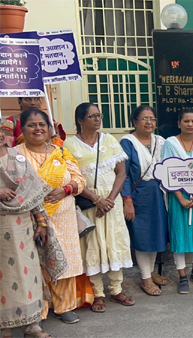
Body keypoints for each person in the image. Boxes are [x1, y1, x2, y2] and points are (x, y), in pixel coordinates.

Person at [15, 109, 90, 324]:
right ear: (23, 129)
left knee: (63, 258)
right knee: (33, 262)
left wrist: (66, 189)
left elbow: (79, 179)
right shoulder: (16, 154)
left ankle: (64, 306)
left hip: (62, 215)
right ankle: (38, 308)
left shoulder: (61, 152)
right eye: (32, 125)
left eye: (42, 125)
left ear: (49, 129)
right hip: (30, 216)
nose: (38, 128)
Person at [64, 103, 134, 312]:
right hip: (88, 204)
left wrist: (110, 200)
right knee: (92, 246)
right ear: (79, 120)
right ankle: (98, 294)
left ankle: (116, 289)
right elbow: (69, 178)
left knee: (114, 241)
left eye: (98, 115)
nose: (97, 119)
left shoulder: (109, 140)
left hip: (111, 203)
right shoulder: (69, 145)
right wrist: (97, 200)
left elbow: (121, 172)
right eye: (91, 116)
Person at [0, 127, 54, 338]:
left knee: (26, 273)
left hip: (22, 225)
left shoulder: (17, 157)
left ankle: (32, 326)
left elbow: (32, 190)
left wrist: (41, 221)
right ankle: (4, 327)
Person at [120, 106, 168, 297]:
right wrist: (127, 201)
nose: (149, 122)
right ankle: (145, 278)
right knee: (142, 235)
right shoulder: (127, 142)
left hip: (159, 194)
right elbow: (123, 175)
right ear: (134, 121)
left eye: (152, 119)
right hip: (139, 194)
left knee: (156, 233)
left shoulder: (161, 141)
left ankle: (150, 272)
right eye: (144, 119)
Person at [163, 109, 193, 294]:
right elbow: (169, 173)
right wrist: (181, 198)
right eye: (186, 121)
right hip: (179, 197)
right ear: (179, 123)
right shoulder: (171, 143)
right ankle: (182, 276)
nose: (190, 124)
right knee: (180, 233)